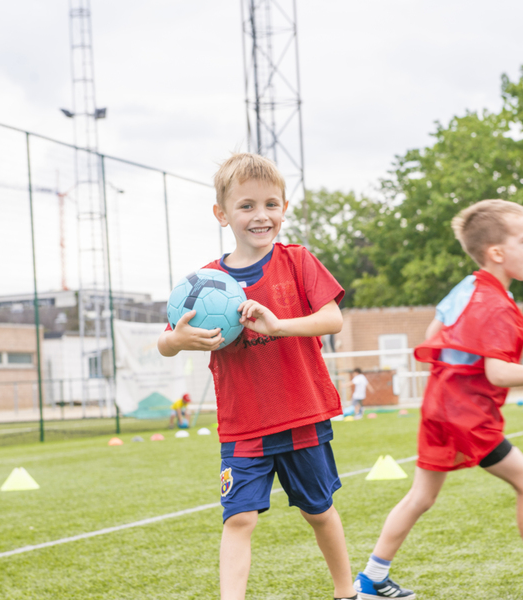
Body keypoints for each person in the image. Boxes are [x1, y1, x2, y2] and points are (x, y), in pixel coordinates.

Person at [354, 199, 523, 600]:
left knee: (421, 496)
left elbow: (432, 334)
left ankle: (371, 579)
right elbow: (498, 373)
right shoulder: (496, 305)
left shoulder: (468, 287)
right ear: (497, 253)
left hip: (439, 407)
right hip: (466, 415)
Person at [157, 153, 355, 600]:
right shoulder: (205, 282)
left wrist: (279, 325)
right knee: (239, 518)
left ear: (284, 208)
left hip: (301, 413)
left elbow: (332, 319)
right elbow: (165, 341)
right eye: (246, 206)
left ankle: (347, 593)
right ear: (222, 213)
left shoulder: (298, 261)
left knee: (319, 511)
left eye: (271, 204)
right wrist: (178, 340)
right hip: (244, 424)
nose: (261, 216)